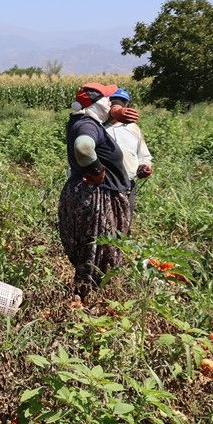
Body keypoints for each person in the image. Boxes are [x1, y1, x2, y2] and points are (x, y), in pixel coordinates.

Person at [58, 83, 133, 294]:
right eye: (109, 100)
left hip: (94, 194)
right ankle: (89, 303)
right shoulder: (87, 125)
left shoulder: (84, 121)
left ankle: (89, 301)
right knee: (97, 256)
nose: (112, 104)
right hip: (97, 196)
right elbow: (83, 147)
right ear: (98, 103)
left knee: (94, 255)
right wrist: (96, 170)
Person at [103, 87, 153, 193]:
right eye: (113, 101)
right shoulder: (97, 126)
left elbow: (143, 155)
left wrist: (144, 166)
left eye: (122, 102)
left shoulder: (134, 128)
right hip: (102, 185)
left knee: (127, 210)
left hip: (127, 183)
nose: (117, 105)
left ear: (127, 105)